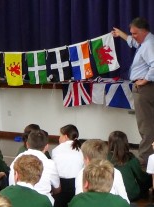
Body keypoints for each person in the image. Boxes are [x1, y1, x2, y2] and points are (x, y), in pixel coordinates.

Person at [112, 17, 154, 166]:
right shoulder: (146, 42)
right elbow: (134, 42)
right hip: (147, 89)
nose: (133, 36)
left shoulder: (149, 45)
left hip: (145, 90)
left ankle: (144, 162)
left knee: (146, 126)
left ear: (143, 31)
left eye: (135, 33)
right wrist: (121, 35)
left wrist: (144, 80)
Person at [9, 130, 60, 206]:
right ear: (46, 146)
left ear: (27, 144)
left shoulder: (16, 159)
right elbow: (57, 189)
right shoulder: (50, 164)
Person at [75, 139, 129, 203]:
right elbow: (125, 199)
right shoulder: (115, 172)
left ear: (87, 159)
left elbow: (79, 198)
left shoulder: (81, 173)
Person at [108, 130, 151, 201]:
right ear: (125, 142)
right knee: (148, 179)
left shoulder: (105, 158)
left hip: (111, 194)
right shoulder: (130, 158)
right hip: (131, 195)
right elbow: (141, 177)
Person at [51, 124, 84, 207]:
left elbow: (54, 170)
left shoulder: (56, 150)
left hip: (61, 185)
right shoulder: (81, 149)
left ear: (65, 136)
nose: (59, 138)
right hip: (77, 184)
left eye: (60, 136)